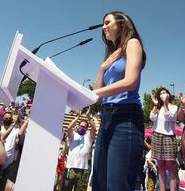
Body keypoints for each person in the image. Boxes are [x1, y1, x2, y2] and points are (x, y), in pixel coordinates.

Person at [92, 11, 147, 191]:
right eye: (103, 24)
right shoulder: (111, 56)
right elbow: (97, 96)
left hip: (126, 118)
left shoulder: (133, 43)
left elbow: (130, 82)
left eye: (107, 22)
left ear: (121, 23)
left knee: (117, 184)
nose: (103, 27)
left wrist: (92, 93)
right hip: (106, 118)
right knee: (99, 183)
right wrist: (102, 69)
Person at [150, 87, 178, 191]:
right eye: (161, 93)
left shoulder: (174, 107)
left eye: (164, 92)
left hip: (169, 137)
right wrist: (156, 105)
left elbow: (169, 117)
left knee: (171, 167)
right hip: (157, 136)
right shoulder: (158, 108)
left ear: (169, 95)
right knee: (160, 166)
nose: (163, 94)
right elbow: (152, 118)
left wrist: (166, 103)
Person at [64, 107, 95, 191]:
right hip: (70, 168)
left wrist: (88, 116)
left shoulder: (88, 137)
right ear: (78, 126)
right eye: (81, 126)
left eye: (84, 127)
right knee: (66, 189)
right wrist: (77, 117)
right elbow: (68, 128)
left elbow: (94, 129)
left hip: (83, 170)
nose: (82, 128)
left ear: (87, 129)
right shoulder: (73, 135)